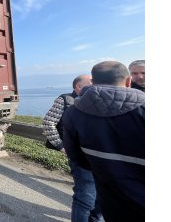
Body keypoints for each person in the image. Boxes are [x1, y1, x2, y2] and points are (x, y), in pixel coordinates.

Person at [63, 61, 145, 222]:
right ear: (128, 81)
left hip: (109, 196)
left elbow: (76, 156)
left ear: (93, 82)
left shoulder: (74, 111)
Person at [43, 74, 103, 222]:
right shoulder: (65, 100)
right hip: (79, 156)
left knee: (101, 196)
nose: (94, 85)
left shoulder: (98, 99)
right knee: (85, 197)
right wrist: (61, 146)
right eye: (90, 82)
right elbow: (48, 123)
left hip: (101, 157)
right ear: (78, 86)